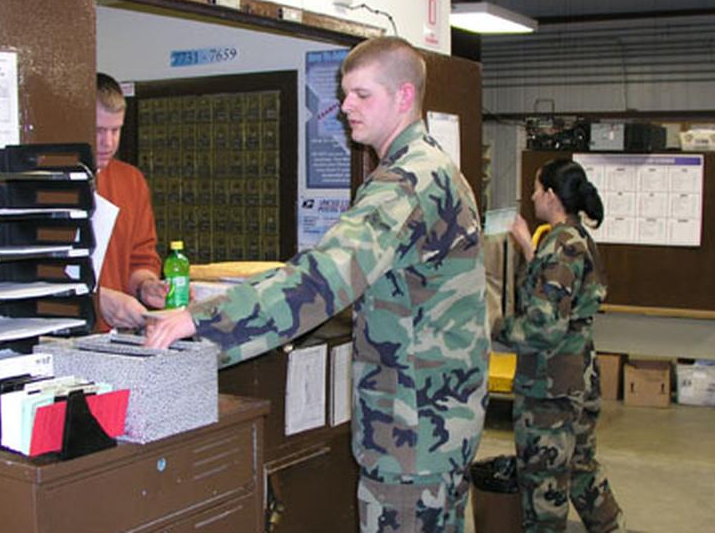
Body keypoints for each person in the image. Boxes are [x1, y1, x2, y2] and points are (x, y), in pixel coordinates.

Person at [145, 37, 490, 532]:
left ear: (404, 96)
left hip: (414, 437)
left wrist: (199, 322)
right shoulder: (431, 168)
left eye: (362, 94)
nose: (345, 106)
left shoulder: (409, 182)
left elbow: (327, 274)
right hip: (436, 426)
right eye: (345, 93)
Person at [492, 159, 625, 532]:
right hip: (578, 376)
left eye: (536, 188)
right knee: (581, 469)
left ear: (551, 195)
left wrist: (491, 329)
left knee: (544, 484)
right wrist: (525, 245)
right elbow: (559, 293)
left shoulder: (560, 246)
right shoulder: (574, 238)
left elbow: (544, 327)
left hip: (551, 388)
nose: (532, 196)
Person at [95, 72, 167, 329]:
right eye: (99, 130)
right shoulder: (48, 184)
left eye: (116, 130)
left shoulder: (131, 181)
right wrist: (98, 299)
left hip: (114, 336)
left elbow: (141, 256)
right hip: (60, 337)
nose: (108, 142)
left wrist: (146, 285)